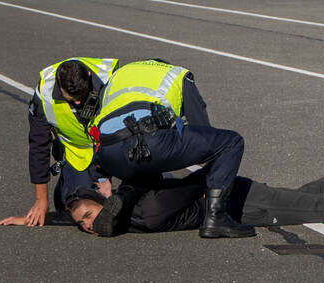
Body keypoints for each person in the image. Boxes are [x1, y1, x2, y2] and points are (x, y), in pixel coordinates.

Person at [0, 161, 324, 235]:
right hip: (238, 192)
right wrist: (36, 216)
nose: (88, 224)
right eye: (82, 223)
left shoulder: (143, 207)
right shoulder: (124, 211)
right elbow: (85, 214)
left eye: (88, 215)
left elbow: (197, 183)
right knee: (306, 196)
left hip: (240, 204)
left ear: (104, 198)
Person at [87, 58, 256, 238]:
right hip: (148, 142)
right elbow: (202, 128)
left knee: (143, 163)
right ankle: (216, 217)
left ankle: (126, 194)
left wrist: (101, 176)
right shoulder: (176, 75)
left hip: (107, 154)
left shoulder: (117, 76)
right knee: (230, 142)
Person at [16, 57, 119, 227]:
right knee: (76, 207)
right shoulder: (44, 94)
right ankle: (69, 178)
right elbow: (38, 146)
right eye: (72, 98)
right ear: (59, 85)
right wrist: (41, 200)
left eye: (81, 95)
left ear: (88, 75)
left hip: (113, 146)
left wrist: (104, 176)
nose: (78, 102)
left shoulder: (110, 80)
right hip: (79, 153)